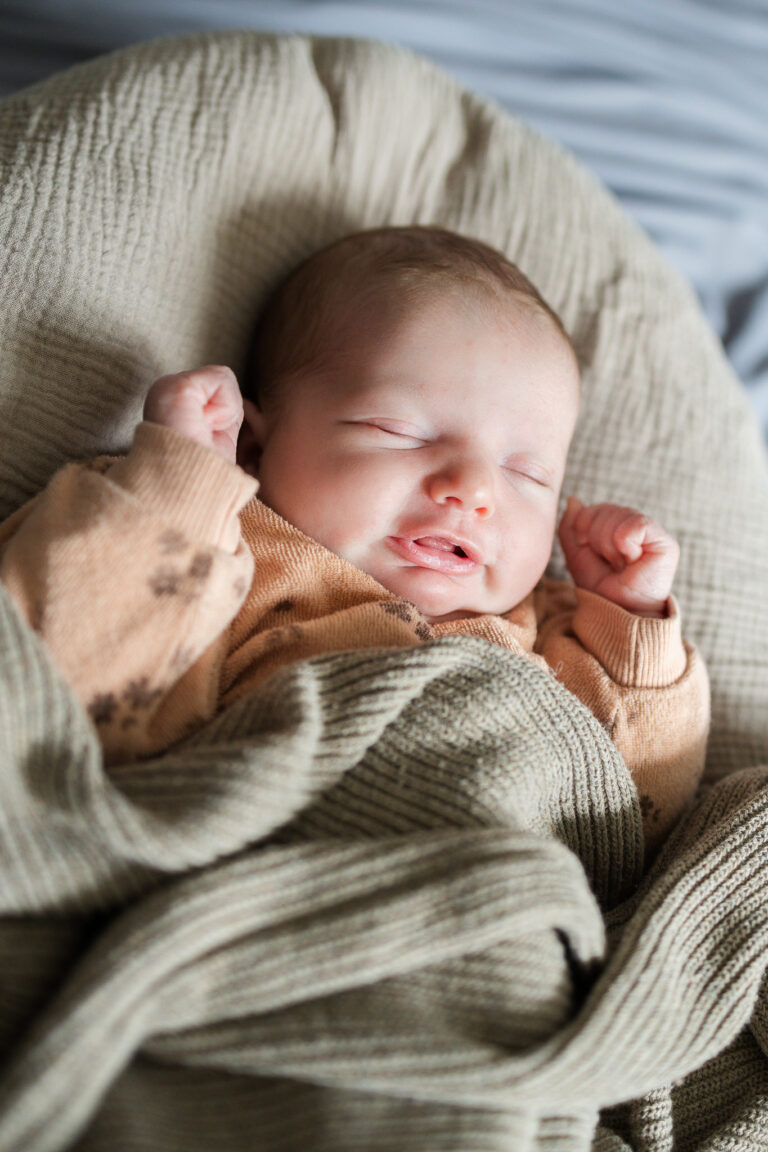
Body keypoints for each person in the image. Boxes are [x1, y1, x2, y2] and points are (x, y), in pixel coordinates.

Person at [0, 226, 709, 854]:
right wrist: (175, 491)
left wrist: (634, 632)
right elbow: (61, 690)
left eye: (527, 473)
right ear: (250, 441)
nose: (474, 489)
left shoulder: (551, 631)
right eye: (399, 431)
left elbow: (633, 816)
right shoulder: (216, 551)